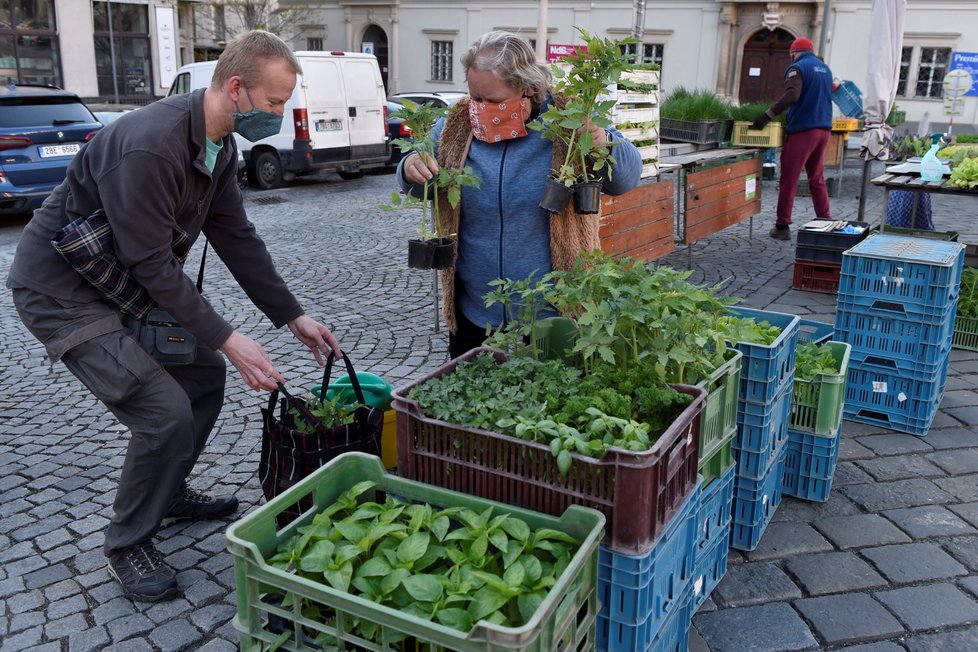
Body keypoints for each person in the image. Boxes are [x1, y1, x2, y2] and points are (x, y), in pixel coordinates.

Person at [6, 30, 341, 602]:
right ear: (236, 88)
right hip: (61, 292)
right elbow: (150, 265)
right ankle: (127, 543)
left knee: (202, 378)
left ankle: (167, 490)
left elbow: (237, 237)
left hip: (116, 282)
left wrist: (293, 317)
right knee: (163, 413)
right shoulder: (151, 145)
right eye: (274, 102)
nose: (279, 114)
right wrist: (232, 339)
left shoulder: (220, 144)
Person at [398, 31, 642, 358]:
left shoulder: (568, 121)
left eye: (492, 101)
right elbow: (417, 172)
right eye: (474, 98)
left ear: (527, 89)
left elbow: (626, 178)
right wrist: (410, 166)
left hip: (552, 320)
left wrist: (599, 140)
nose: (479, 110)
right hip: (476, 317)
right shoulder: (456, 125)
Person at [751, 37, 834, 241]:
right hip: (824, 130)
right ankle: (825, 219)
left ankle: (782, 226)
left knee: (789, 179)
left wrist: (767, 115)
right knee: (817, 178)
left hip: (804, 131)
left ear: (793, 52)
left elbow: (792, 95)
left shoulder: (797, 68)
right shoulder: (825, 69)